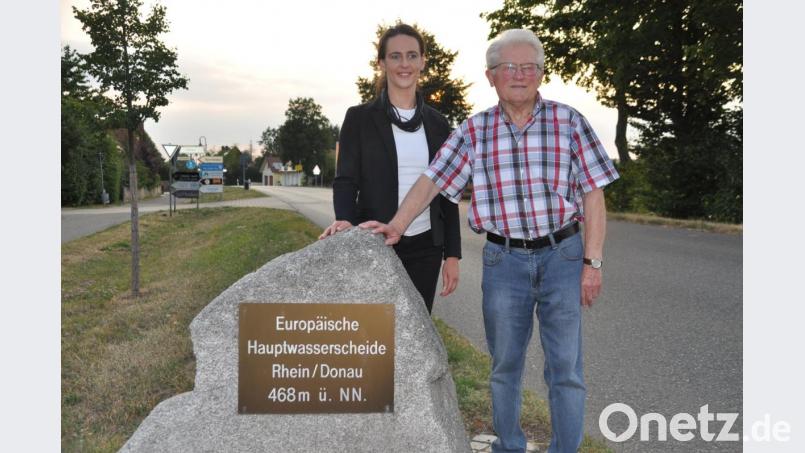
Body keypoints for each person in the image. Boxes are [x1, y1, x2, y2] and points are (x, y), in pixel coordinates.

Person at [360, 29, 619, 453]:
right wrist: (397, 225)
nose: (520, 75)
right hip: (504, 262)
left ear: (540, 73)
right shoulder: (474, 131)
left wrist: (593, 262)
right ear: (491, 76)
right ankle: (510, 446)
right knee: (505, 367)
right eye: (509, 68)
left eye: (529, 67)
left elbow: (594, 192)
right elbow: (432, 182)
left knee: (565, 369)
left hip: (563, 256)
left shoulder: (569, 121)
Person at [319, 23, 461, 313]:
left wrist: (452, 255)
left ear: (422, 61)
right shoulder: (359, 118)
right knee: (375, 331)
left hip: (426, 247)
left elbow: (448, 190)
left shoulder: (438, 124)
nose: (404, 64)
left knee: (416, 332)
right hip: (375, 240)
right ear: (382, 63)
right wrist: (345, 221)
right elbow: (345, 180)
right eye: (395, 56)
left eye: (411, 55)